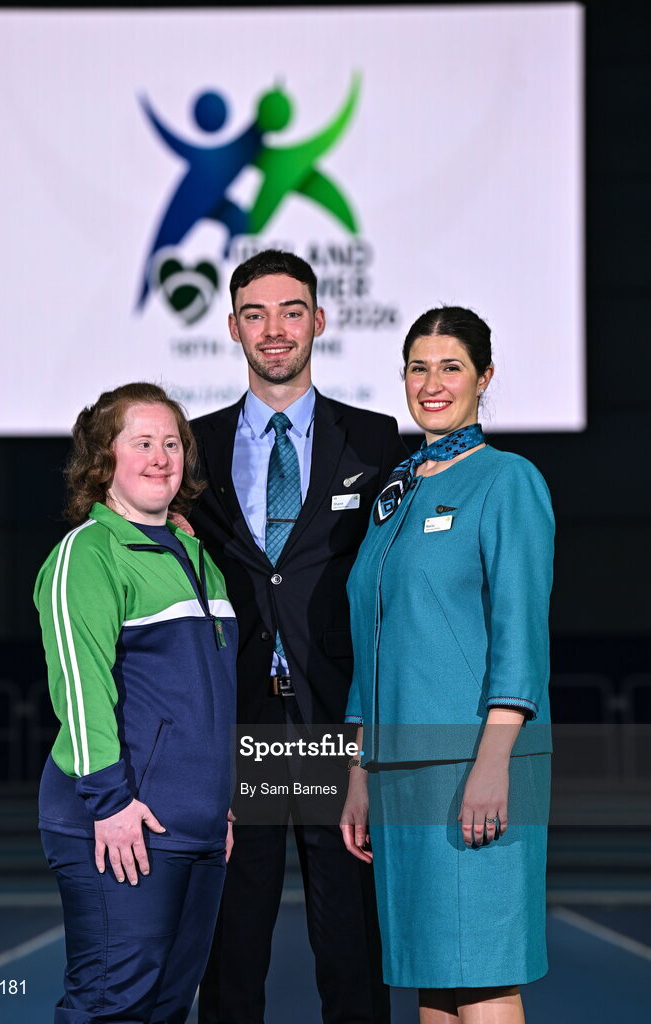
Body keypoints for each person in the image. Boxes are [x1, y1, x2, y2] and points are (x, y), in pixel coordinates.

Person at [190, 250, 405, 1024]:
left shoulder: (378, 441)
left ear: (318, 320)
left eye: (289, 312)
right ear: (232, 327)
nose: (273, 330)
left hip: (332, 727)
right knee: (230, 956)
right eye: (255, 313)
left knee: (350, 954)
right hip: (236, 727)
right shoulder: (192, 449)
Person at [341, 307, 554, 1024]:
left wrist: (492, 762)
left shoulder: (506, 480)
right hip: (400, 773)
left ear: (483, 377)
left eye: (450, 366)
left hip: (473, 763)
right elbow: (370, 638)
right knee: (433, 977)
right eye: (417, 366)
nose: (431, 384)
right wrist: (358, 771)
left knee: (483, 974)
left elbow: (518, 635)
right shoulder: (394, 495)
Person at [34, 382, 237, 1024]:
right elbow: (80, 684)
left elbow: (206, 698)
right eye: (142, 442)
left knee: (168, 1009)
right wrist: (112, 803)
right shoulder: (87, 555)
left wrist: (220, 802)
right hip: (122, 826)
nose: (160, 457)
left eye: (172, 443)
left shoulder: (196, 555)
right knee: (111, 1009)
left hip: (197, 826)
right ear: (105, 460)